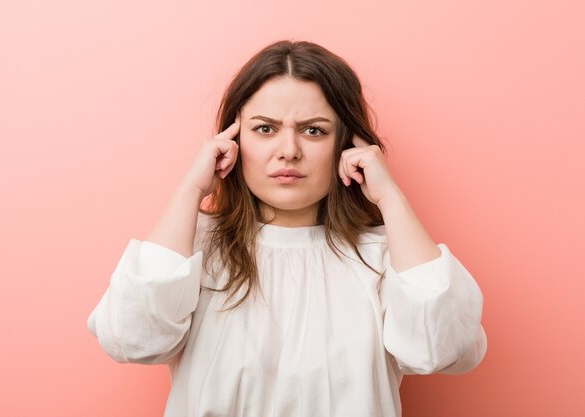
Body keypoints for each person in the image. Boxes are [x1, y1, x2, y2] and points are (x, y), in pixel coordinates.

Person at [86, 39, 487, 417]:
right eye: (265, 129)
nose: (289, 150)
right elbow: (132, 337)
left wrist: (390, 197)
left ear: (348, 144)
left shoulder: (383, 255)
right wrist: (191, 189)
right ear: (233, 140)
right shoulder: (193, 248)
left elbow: (443, 349)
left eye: (314, 130)